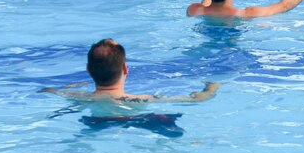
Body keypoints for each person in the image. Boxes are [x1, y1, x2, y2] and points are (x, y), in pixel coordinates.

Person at [42, 38, 219, 102]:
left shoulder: (79, 97)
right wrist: (212, 87)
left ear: (88, 70)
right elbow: (196, 100)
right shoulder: (141, 100)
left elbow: (48, 90)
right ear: (125, 68)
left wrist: (72, 86)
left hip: (93, 121)